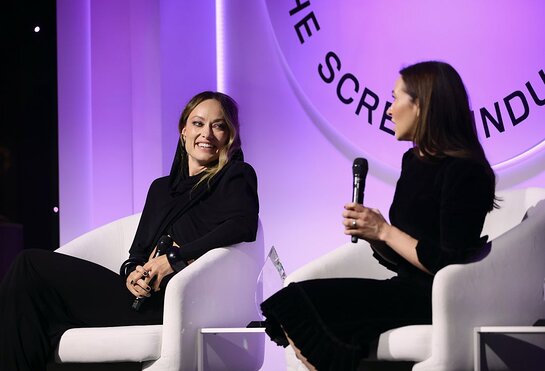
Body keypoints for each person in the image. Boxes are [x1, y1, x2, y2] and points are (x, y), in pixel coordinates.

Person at [260, 61, 497, 370]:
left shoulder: (465, 171)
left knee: (300, 303)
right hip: (404, 287)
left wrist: (384, 231)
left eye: (396, 98)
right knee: (291, 303)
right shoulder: (413, 161)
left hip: (438, 299)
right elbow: (404, 253)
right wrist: (374, 235)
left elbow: (447, 261)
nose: (389, 110)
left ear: (421, 105)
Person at [0, 91, 259, 371]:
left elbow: (242, 225)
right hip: (139, 298)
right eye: (198, 123)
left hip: (183, 306)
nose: (206, 133)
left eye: (218, 125)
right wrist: (132, 274)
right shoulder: (161, 189)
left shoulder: (235, 176)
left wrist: (174, 259)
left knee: (30, 267)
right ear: (183, 131)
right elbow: (136, 253)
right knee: (32, 301)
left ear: (229, 135)